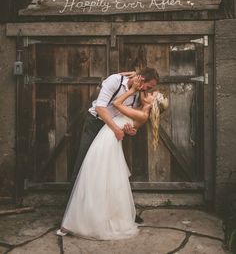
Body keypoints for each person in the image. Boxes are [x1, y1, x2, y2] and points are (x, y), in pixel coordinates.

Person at [56, 75, 168, 240]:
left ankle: (89, 218)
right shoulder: (130, 93)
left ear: (152, 104)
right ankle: (75, 215)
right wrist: (130, 128)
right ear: (142, 79)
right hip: (101, 129)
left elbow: (117, 106)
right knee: (90, 173)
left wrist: (132, 93)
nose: (148, 91)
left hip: (108, 139)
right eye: (149, 88)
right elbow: (118, 116)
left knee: (97, 176)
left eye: (151, 93)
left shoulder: (142, 108)